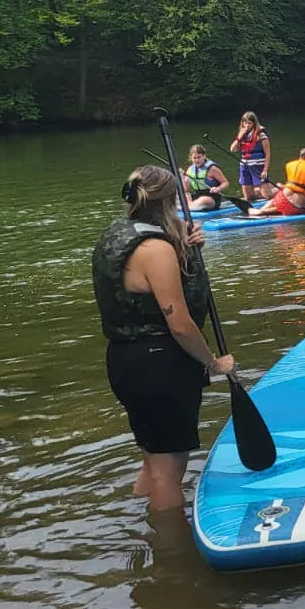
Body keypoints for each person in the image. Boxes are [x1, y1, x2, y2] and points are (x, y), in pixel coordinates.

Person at [92, 166, 233, 513]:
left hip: (124, 362)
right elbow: (180, 324)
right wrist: (213, 363)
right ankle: (170, 557)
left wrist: (183, 246)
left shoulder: (118, 234)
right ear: (172, 200)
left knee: (151, 463)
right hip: (161, 368)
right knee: (169, 474)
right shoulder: (157, 249)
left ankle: (138, 529)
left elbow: (139, 286)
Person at [250, 147, 305, 217]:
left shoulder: (292, 165)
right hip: (294, 205)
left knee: (276, 201)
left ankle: (261, 209)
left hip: (281, 197)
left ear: (300, 157)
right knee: (298, 209)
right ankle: (261, 212)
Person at [229, 112, 273, 203]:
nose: (247, 125)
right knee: (249, 197)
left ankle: (276, 191)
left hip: (258, 166)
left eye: (249, 123)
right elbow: (232, 149)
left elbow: (267, 154)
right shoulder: (242, 136)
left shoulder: (261, 135)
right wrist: (239, 137)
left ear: (254, 123)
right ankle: (258, 192)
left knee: (267, 196)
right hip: (245, 166)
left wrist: (265, 170)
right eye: (245, 123)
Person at [185, 144, 230, 211]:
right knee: (185, 195)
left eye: (199, 157)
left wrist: (218, 188)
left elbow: (225, 183)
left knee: (204, 200)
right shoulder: (190, 170)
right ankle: (191, 206)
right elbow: (185, 188)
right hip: (197, 196)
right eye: (194, 158)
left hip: (211, 198)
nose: (197, 160)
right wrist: (181, 177)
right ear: (191, 158)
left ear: (204, 156)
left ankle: (188, 207)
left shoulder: (212, 169)